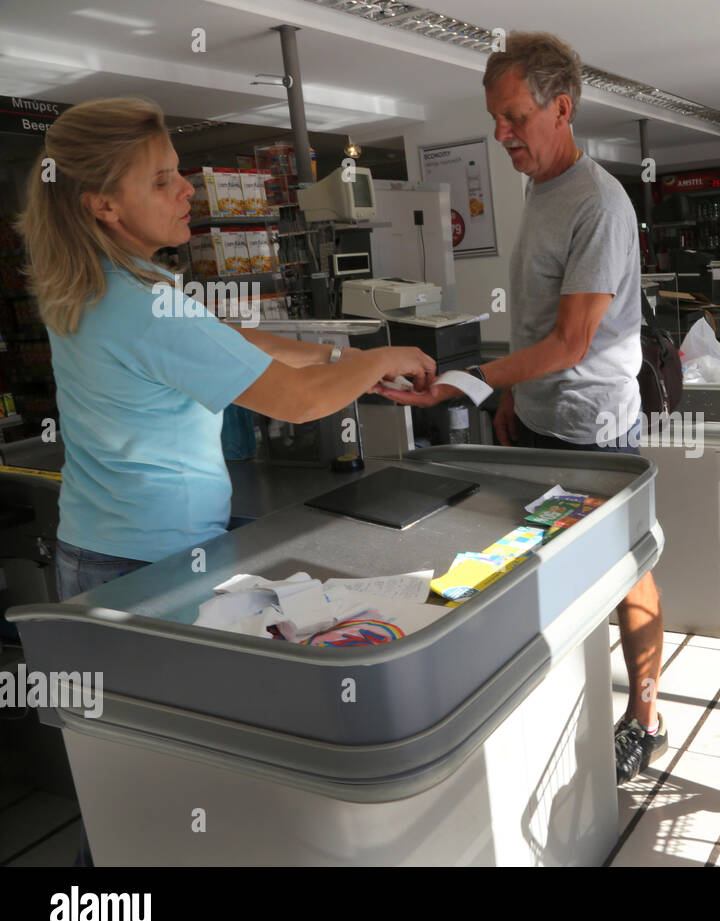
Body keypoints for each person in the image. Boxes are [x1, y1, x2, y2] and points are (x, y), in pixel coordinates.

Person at [17, 97, 439, 864]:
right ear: (103, 204)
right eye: (163, 179)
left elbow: (228, 341)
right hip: (153, 573)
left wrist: (325, 356)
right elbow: (300, 405)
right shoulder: (143, 305)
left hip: (96, 555)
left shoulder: (91, 283)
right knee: (167, 774)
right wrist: (380, 360)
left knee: (125, 764)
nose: (187, 191)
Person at [377, 31, 667, 785]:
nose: (501, 135)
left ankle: (645, 717)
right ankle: (568, 697)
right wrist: (509, 394)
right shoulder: (541, 188)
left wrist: (466, 383)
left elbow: (572, 342)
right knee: (546, 566)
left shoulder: (601, 205)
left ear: (560, 108)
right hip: (537, 419)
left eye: (513, 118)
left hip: (595, 431)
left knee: (625, 572)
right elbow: (536, 323)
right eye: (495, 120)